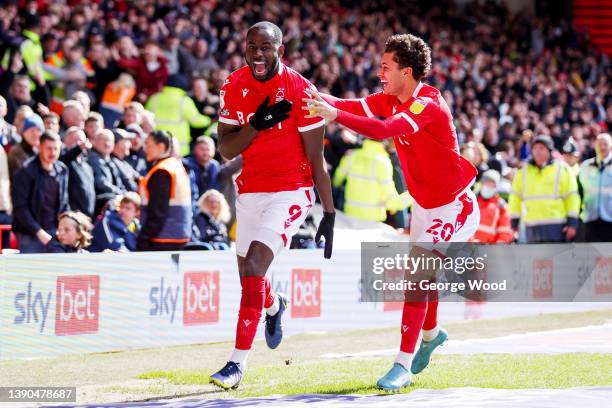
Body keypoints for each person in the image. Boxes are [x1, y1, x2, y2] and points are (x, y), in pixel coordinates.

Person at [304, 33, 479, 391]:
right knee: (422, 276)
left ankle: (402, 365)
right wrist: (304, 91)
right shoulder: (390, 98)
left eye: (386, 67)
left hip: (455, 205)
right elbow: (347, 104)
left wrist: (333, 114)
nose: (380, 72)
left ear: (408, 71)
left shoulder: (428, 103)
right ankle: (430, 334)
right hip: (425, 207)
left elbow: (383, 129)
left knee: (416, 277)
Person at [209, 21, 335, 390]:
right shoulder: (233, 85)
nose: (258, 54)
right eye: (252, 46)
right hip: (250, 190)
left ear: (280, 50)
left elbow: (317, 163)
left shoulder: (302, 92)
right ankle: (275, 304)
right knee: (250, 278)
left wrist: (327, 212)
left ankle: (236, 365)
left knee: (253, 266)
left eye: (266, 47)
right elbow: (227, 149)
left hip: (291, 191)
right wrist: (257, 126)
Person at [509, 135, 580, 243]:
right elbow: (515, 198)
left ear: (549, 150)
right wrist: (514, 223)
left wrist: (572, 223)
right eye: (535, 148)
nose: (537, 151)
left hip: (557, 227)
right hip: (531, 227)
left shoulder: (563, 169)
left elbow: (572, 197)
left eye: (541, 148)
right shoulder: (522, 171)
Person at [11, 131, 69, 253]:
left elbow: (64, 202)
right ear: (39, 147)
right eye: (49, 148)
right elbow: (20, 207)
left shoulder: (62, 170)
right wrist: (38, 231)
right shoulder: (26, 171)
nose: (52, 153)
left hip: (55, 231)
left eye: (56, 149)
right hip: (29, 234)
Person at [137, 130, 192, 251]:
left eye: (148, 145)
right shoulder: (176, 166)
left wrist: (144, 237)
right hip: (178, 235)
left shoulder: (162, 171)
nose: (144, 149)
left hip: (161, 238)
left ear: (161, 147)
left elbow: (158, 210)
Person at [332, 138, 411, 222]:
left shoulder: (351, 156)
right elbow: (392, 202)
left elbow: (336, 182)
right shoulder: (383, 162)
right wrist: (414, 195)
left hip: (349, 215)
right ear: (384, 141)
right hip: (372, 221)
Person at [145, 74, 212, 156]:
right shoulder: (184, 100)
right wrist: (209, 119)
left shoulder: (154, 98)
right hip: (178, 148)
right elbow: (196, 121)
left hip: (155, 147)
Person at [578, 133, 612, 241]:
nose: (602, 147)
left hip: (610, 218)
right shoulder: (585, 166)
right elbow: (579, 191)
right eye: (599, 144)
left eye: (605, 144)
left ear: (610, 146)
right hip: (590, 218)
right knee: (591, 255)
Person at [60, 127, 96, 219]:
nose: (81, 144)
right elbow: (64, 159)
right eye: (76, 140)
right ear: (65, 142)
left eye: (82, 141)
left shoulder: (87, 164)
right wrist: (78, 149)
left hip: (88, 217)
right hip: (71, 215)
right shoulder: (64, 160)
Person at [470, 169, 513, 243]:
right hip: (469, 247)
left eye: (491, 183)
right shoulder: (472, 201)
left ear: (496, 186)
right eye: (486, 182)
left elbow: (504, 231)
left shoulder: (501, 206)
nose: (488, 185)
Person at [8, 113, 44, 182]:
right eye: (32, 130)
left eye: (38, 130)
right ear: (24, 133)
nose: (35, 134)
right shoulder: (16, 152)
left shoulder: (42, 151)